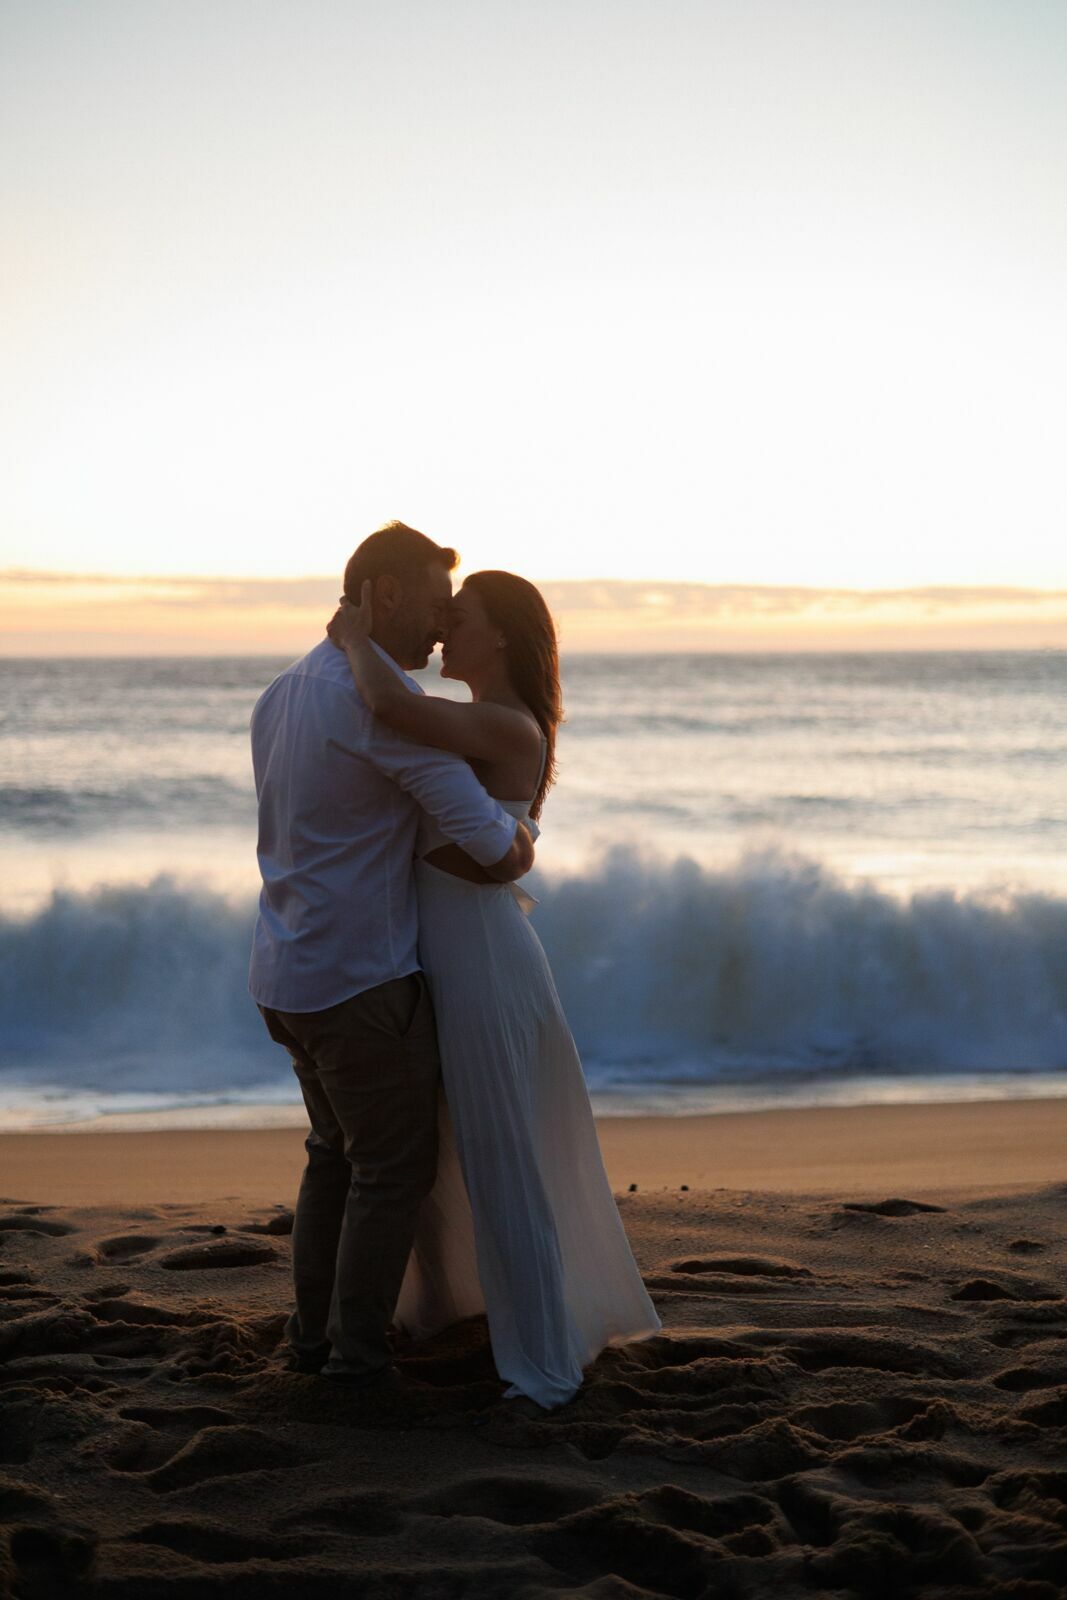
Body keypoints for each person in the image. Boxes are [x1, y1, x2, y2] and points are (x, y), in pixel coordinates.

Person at [327, 569, 660, 1409]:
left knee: (502, 1154)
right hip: (441, 952)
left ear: (502, 635)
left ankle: (541, 1364)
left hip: (481, 959)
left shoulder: (504, 725)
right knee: (439, 1146)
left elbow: (394, 711)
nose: (442, 631)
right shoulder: (484, 721)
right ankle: (444, 1306)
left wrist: (354, 640)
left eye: (460, 618)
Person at [249, 522, 534, 1387]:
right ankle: (358, 1358)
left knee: (333, 1154)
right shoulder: (378, 716)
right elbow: (490, 845)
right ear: (383, 597)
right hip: (359, 979)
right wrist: (520, 837)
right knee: (390, 1168)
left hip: (284, 971)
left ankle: (312, 1339)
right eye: (434, 603)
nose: (440, 627)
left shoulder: (282, 691)